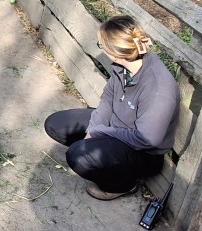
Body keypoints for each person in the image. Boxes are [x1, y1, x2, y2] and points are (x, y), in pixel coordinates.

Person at [44, 16, 180, 200]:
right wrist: (93, 129)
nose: (101, 48)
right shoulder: (125, 66)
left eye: (102, 45)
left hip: (142, 152)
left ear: (115, 51)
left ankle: (121, 185)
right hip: (118, 127)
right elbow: (108, 100)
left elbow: (147, 139)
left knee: (78, 157)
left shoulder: (158, 89)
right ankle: (100, 153)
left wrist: (101, 132)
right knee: (55, 124)